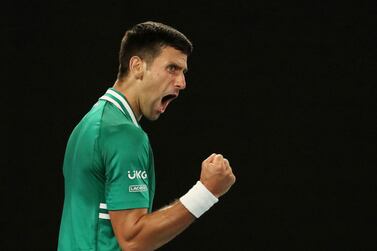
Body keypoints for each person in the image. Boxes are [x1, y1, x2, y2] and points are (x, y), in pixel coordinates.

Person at [57, 21, 236, 251]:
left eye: (183, 72)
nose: (182, 82)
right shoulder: (123, 134)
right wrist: (206, 192)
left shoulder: (90, 123)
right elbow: (134, 239)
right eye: (172, 68)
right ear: (137, 66)